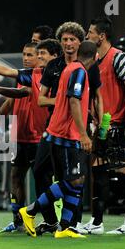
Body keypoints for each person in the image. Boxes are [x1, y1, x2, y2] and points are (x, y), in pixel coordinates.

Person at [0, 39, 62, 233]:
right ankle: (18, 220)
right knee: (15, 177)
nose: (27, 59)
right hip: (19, 136)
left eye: (31, 55)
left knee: (43, 178)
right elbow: (13, 98)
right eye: (24, 55)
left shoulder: (49, 76)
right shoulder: (28, 75)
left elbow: (22, 93)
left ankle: (51, 219)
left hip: (40, 136)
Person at [19, 41, 97, 238]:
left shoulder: (69, 68)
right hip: (66, 134)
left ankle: (65, 227)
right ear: (95, 58)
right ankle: (30, 211)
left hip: (59, 131)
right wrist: (83, 133)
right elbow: (73, 100)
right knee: (73, 180)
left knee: (77, 179)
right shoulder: (79, 71)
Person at [34, 21, 103, 235]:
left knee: (75, 175)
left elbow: (97, 97)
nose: (68, 43)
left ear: (80, 43)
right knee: (45, 173)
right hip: (57, 129)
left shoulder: (87, 68)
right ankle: (49, 219)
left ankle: (72, 222)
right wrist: (65, 102)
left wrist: (100, 123)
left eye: (72, 39)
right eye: (64, 39)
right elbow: (41, 99)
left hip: (77, 129)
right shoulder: (55, 66)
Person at [82, 16, 125, 235]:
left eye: (90, 32)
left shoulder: (118, 58)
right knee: (98, 168)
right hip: (102, 125)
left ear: (101, 36)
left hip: (117, 124)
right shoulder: (95, 60)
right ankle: (97, 222)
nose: (87, 36)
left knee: (123, 168)